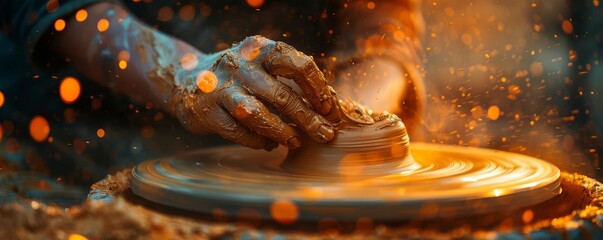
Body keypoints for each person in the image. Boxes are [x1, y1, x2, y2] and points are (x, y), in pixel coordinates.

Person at [0, 0, 425, 189]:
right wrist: (182, 73)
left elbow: (382, 19)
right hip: (80, 126)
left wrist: (353, 109)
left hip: (274, 139)